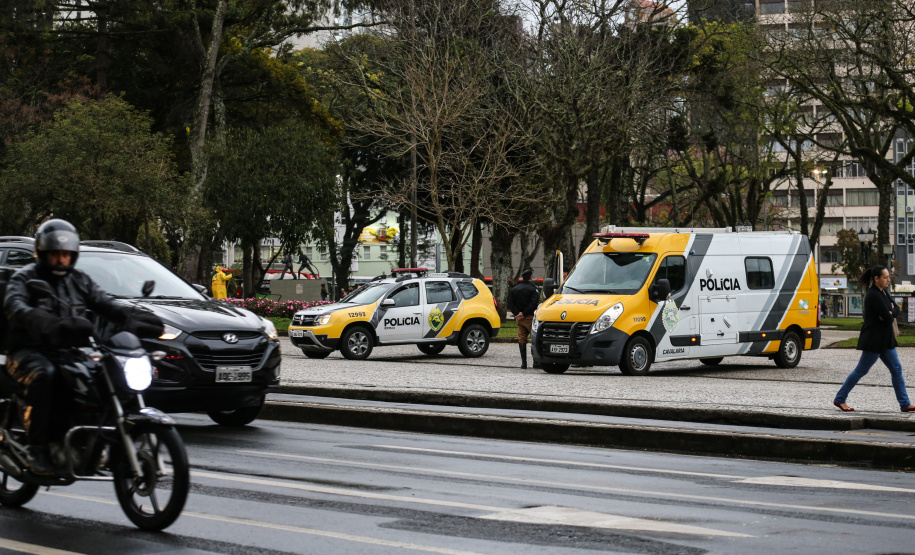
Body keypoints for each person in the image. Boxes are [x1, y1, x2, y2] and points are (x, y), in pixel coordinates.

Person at [4, 219, 164, 474]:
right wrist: (45, 323)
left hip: (67, 352)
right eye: (55, 254)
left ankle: (98, 438)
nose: (60, 260)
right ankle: (38, 448)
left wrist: (132, 319)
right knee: (47, 375)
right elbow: (17, 307)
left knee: (99, 375)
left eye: (65, 255)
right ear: (42, 254)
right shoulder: (25, 278)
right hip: (27, 351)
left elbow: (105, 304)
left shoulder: (80, 280)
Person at [833, 265, 915, 413]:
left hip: (885, 340)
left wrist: (890, 311)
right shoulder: (873, 295)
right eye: (885, 277)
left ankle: (905, 404)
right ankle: (840, 399)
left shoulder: (883, 292)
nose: (888, 280)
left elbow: (896, 309)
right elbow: (889, 318)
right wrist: (890, 313)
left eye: (888, 277)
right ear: (877, 279)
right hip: (874, 340)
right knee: (861, 371)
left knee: (897, 369)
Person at [507, 269, 539, 369]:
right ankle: (535, 362)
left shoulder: (515, 289)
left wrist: (518, 313)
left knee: (522, 339)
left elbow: (511, 304)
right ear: (530, 277)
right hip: (529, 317)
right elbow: (534, 303)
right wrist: (524, 313)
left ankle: (523, 363)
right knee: (534, 339)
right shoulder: (533, 289)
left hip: (519, 319)